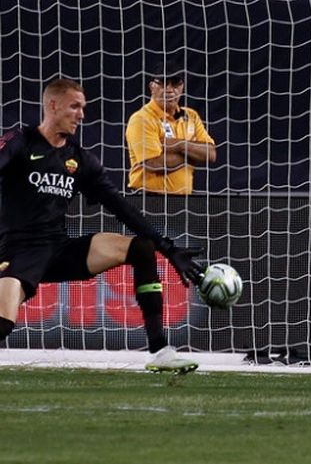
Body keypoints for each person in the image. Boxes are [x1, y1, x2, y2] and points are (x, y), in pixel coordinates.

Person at [0, 78, 203, 374]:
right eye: (75, 107)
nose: (81, 115)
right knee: (4, 323)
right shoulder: (21, 142)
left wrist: (168, 249)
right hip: (18, 252)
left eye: (83, 107)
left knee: (141, 249)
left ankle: (160, 351)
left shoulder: (79, 159)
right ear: (52, 105)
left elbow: (121, 207)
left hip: (59, 248)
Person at [126, 61, 216, 195]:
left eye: (175, 83)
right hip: (148, 199)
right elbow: (154, 164)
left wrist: (179, 145)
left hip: (183, 200)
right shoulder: (141, 119)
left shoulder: (191, 116)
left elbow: (211, 154)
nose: (169, 89)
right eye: (162, 83)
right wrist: (194, 154)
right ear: (151, 87)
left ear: (182, 87)